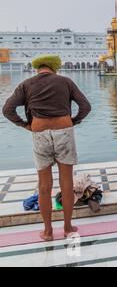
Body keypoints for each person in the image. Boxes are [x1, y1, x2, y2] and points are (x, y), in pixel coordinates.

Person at [2, 55, 91, 241]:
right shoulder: (65, 82)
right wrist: (74, 121)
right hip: (64, 131)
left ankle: (48, 231)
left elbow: (7, 109)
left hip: (39, 133)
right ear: (54, 68)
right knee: (66, 182)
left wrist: (25, 125)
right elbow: (85, 106)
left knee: (44, 185)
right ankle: (67, 227)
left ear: (37, 68)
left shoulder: (26, 84)